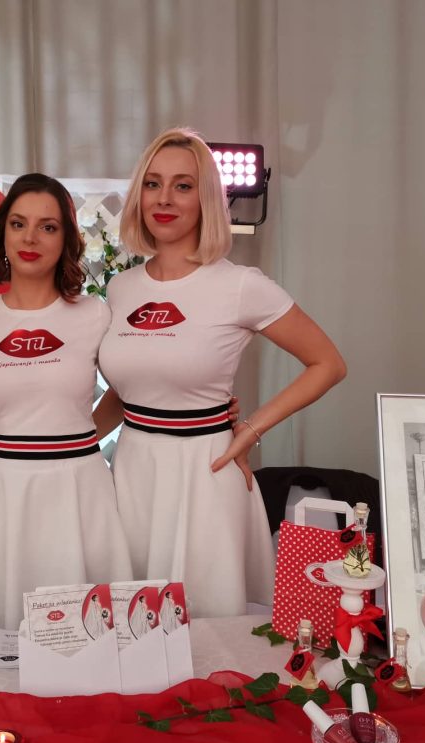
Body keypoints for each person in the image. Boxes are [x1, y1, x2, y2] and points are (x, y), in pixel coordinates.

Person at [96, 127, 347, 618]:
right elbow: (126, 394)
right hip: (133, 471)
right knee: (133, 626)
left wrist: (250, 429)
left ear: (207, 198)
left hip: (205, 474)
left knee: (208, 631)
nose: (164, 199)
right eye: (153, 184)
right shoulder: (122, 288)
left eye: (183, 186)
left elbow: (328, 364)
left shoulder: (241, 286)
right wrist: (70, 451)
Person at [0, 173, 133, 633]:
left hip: (80, 492)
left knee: (94, 636)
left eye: (48, 227)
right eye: (18, 224)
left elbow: (130, 389)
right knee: (8, 643)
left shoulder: (94, 313)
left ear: (67, 240)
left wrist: (76, 440)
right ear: (2, 233)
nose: (30, 238)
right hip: (7, 491)